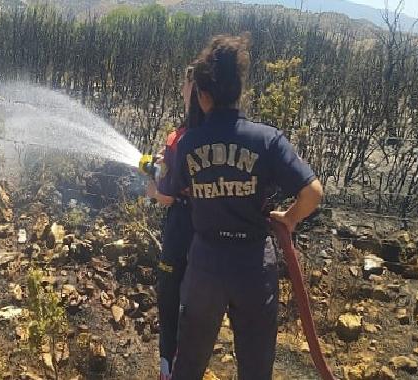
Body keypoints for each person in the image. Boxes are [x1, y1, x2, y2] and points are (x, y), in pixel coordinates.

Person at [162, 35, 324, 380]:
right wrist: (290, 218)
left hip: (204, 264)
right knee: (255, 365)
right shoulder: (266, 140)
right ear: (239, 91)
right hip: (253, 266)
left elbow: (171, 192)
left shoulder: (189, 142)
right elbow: (312, 192)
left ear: (204, 95)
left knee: (188, 363)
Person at [146, 65, 203, 380]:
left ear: (193, 89)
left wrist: (154, 183)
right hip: (210, 235)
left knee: (169, 301)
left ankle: (168, 370)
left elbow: (167, 195)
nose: (181, 89)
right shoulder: (217, 132)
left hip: (181, 229)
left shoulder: (179, 138)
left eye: (184, 83)